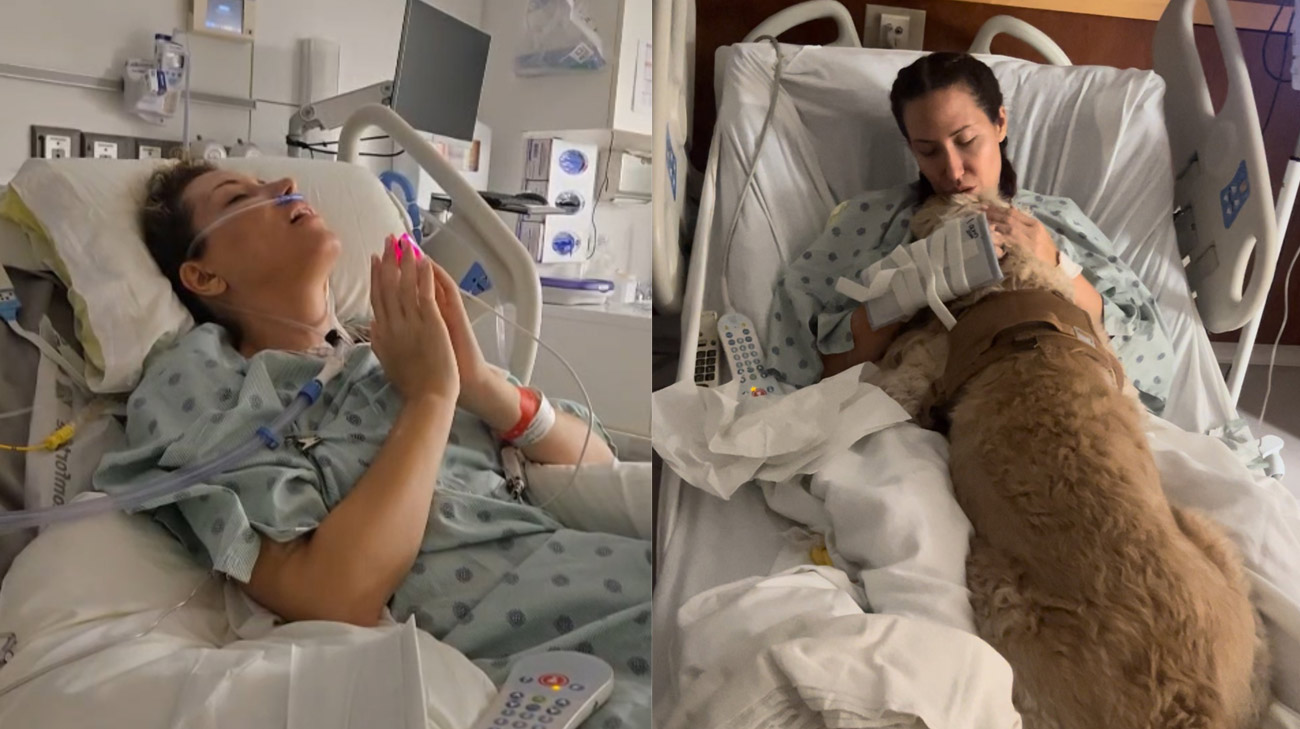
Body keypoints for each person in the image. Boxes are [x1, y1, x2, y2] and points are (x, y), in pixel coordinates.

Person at [93, 161, 650, 727]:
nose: (284, 186)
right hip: (556, 648)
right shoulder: (207, 381)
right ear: (204, 276)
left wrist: (481, 385)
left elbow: (598, 464)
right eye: (238, 197)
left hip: (623, 571)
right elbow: (332, 594)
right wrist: (432, 397)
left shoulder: (398, 343)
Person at [766, 52, 1175, 413]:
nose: (953, 170)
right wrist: (907, 290)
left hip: (1057, 393)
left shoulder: (1057, 220)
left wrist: (1056, 264)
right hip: (915, 421)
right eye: (928, 151)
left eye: (965, 141)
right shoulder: (872, 220)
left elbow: (1148, 356)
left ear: (999, 123)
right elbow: (808, 366)